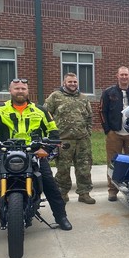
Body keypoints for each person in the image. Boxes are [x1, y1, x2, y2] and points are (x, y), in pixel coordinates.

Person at [0, 78, 73, 238]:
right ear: (10, 91)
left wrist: (45, 148)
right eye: (17, 88)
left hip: (33, 153)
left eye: (23, 88)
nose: (20, 91)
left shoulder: (40, 110)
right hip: (4, 152)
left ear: (28, 91)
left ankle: (61, 217)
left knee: (50, 185)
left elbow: (53, 132)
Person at [45, 73, 95, 204]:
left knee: (84, 168)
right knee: (63, 169)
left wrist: (88, 132)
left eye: (75, 82)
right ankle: (62, 193)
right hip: (63, 140)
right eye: (70, 82)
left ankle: (84, 193)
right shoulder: (55, 97)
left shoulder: (83, 98)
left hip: (82, 140)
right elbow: (46, 114)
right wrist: (52, 134)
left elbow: (89, 117)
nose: (73, 84)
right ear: (64, 83)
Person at [100, 66, 129, 201]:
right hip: (114, 133)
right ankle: (112, 190)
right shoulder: (108, 92)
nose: (124, 77)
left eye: (126, 75)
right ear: (117, 76)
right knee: (113, 162)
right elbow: (102, 111)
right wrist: (108, 130)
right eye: (122, 75)